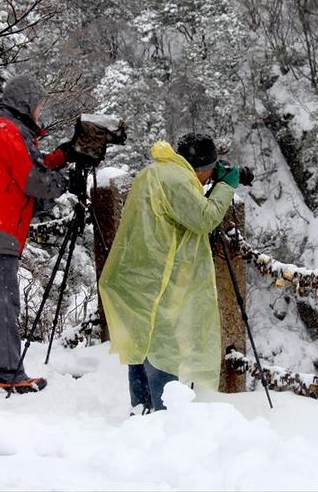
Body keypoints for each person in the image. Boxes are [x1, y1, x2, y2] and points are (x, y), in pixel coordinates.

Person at [0, 74, 81, 394]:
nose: (41, 112)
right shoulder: (8, 131)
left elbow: (24, 166)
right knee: (3, 303)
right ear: (26, 103)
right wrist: (63, 184)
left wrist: (62, 156)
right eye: (39, 105)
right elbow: (33, 180)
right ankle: (9, 373)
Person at [98, 133, 240, 413]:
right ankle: (163, 419)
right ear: (203, 168)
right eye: (210, 172)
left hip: (137, 273)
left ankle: (141, 410)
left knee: (142, 344)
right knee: (163, 347)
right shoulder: (179, 181)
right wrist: (225, 186)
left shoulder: (154, 172)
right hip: (160, 276)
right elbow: (205, 218)